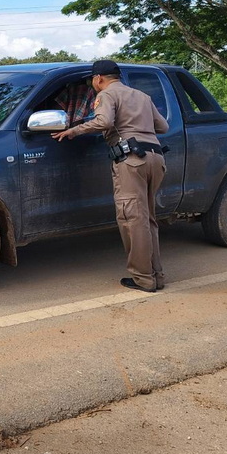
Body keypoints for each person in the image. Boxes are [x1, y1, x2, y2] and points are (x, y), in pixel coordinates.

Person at [52, 60, 168, 293]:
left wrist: (74, 130)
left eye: (92, 81)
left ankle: (143, 279)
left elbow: (104, 121)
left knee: (132, 219)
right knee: (147, 219)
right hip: (156, 158)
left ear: (99, 79)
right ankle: (156, 276)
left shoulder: (106, 94)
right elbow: (163, 127)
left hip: (132, 161)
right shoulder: (142, 96)